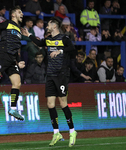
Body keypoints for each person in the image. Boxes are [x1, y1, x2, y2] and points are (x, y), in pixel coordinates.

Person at [22, 17, 77, 147]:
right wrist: (29, 35)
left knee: (63, 103)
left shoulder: (64, 38)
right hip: (51, 75)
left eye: (49, 24)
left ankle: (72, 131)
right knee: (50, 104)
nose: (47, 26)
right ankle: (56, 133)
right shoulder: (49, 40)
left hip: (62, 74)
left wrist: (60, 50)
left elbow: (73, 49)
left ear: (55, 26)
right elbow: (40, 43)